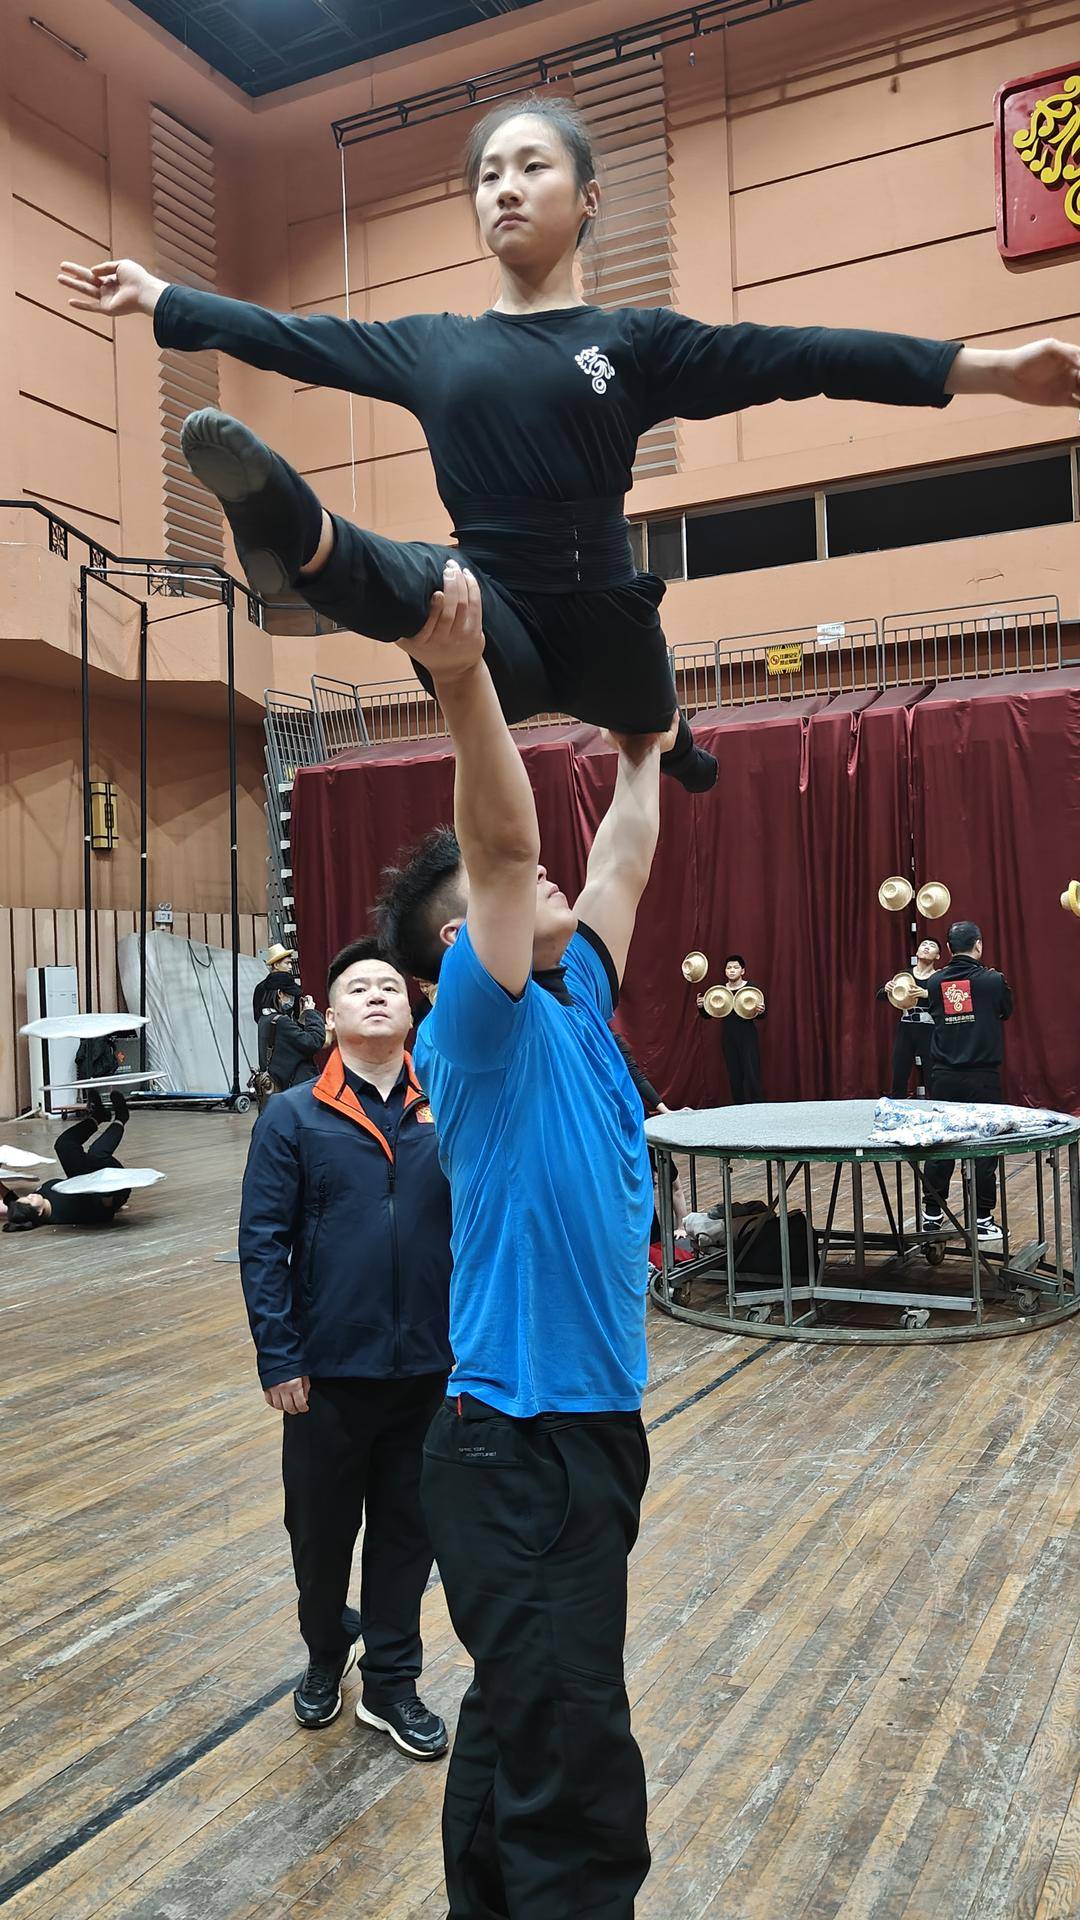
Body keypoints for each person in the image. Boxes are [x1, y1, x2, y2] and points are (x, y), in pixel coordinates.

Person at [58, 103, 1080, 794]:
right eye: (488, 176)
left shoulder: (634, 342)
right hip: (491, 612)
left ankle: (677, 745)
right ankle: (294, 528)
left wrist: (987, 369)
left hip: (606, 620)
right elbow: (295, 338)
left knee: (651, 722)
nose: (505, 188)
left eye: (532, 167)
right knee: (418, 579)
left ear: (588, 198)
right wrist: (164, 298)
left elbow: (802, 355)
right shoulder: (433, 347)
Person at [375, 562, 663, 1917]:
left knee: (522, 1718)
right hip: (520, 1443)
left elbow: (619, 859)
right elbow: (501, 851)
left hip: (588, 1433)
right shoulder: (476, 1029)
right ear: (458, 944)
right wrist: (462, 676)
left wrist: (644, 748)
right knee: (577, 1766)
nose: (552, 877)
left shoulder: (577, 1000)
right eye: (509, 889)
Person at [238, 937, 452, 1756]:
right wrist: (279, 1356)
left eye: (389, 986)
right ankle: (327, 1650)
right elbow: (263, 1242)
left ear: (412, 1011)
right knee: (320, 1540)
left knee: (408, 1536)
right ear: (329, 1017)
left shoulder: (447, 1107)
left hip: (429, 1368)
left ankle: (392, 1683)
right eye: (357, 988)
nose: (376, 995)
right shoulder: (292, 1116)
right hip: (326, 1374)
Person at [920, 920, 1013, 1249]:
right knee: (984, 1147)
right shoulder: (993, 980)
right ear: (979, 945)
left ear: (948, 949)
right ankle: (982, 1220)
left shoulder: (935, 982)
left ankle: (932, 1214)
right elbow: (1005, 1011)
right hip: (982, 1077)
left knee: (941, 1143)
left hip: (944, 1076)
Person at [2, 1090, 131, 1230]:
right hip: (110, 1188)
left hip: (83, 1180)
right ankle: (121, 1118)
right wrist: (110, 1195)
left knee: (64, 1145)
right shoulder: (65, 1212)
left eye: (26, 1196)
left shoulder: (31, 1206)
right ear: (39, 1212)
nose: (30, 1195)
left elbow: (11, 1200)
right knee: (96, 1155)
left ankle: (98, 1116)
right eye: (30, 1199)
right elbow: (103, 1213)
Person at [876, 937, 940, 1096]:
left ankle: (936, 1104)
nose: (926, 947)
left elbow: (948, 1000)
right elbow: (880, 996)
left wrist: (927, 994)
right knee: (899, 1069)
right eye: (923, 944)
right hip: (907, 1026)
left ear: (938, 955)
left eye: (931, 946)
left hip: (930, 1028)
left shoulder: (939, 977)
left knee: (932, 1072)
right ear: (917, 952)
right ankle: (897, 1103)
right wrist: (887, 988)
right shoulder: (904, 976)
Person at [699, 955, 766, 1103]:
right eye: (729, 968)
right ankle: (738, 1108)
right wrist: (701, 1007)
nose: (732, 970)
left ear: (742, 971)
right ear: (725, 971)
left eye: (736, 967)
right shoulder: (720, 991)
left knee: (752, 1072)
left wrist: (761, 1011)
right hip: (728, 1036)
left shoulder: (751, 988)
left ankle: (758, 1106)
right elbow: (708, 1015)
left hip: (748, 1035)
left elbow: (761, 1015)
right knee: (734, 1074)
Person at [257, 983, 326, 1092]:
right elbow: (314, 1041)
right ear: (280, 993)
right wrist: (311, 1012)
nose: (293, 1000)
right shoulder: (282, 1021)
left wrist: (301, 1020)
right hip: (297, 1088)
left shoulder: (265, 1019)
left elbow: (291, 1045)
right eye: (291, 995)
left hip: (280, 1087)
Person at [251, 942, 300, 1023]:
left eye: (290, 963)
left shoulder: (293, 987)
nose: (290, 967)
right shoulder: (262, 988)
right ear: (276, 965)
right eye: (287, 963)